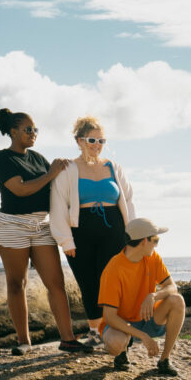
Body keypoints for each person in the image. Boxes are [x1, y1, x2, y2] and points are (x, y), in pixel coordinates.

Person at [0, 108, 81, 354]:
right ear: (13, 132)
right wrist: (51, 173)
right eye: (28, 130)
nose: (33, 134)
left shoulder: (38, 158)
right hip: (12, 225)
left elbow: (54, 189)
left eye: (35, 130)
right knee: (16, 283)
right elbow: (20, 189)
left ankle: (68, 339)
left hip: (41, 225)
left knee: (56, 283)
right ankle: (23, 341)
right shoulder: (2, 158)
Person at [49, 116, 135, 347]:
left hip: (114, 229)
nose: (96, 145)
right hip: (81, 231)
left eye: (101, 140)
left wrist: (132, 235)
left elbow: (127, 200)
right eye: (91, 140)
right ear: (79, 141)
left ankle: (117, 329)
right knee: (88, 282)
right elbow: (57, 205)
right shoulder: (68, 169)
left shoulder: (113, 167)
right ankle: (95, 332)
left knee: (114, 282)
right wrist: (66, 241)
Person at [98, 218, 185, 376]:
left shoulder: (153, 257)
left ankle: (164, 360)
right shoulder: (114, 269)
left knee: (177, 300)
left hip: (147, 318)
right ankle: (121, 353)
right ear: (144, 241)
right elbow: (110, 318)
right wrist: (143, 337)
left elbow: (173, 287)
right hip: (121, 324)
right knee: (116, 343)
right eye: (156, 240)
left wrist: (154, 295)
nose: (157, 245)